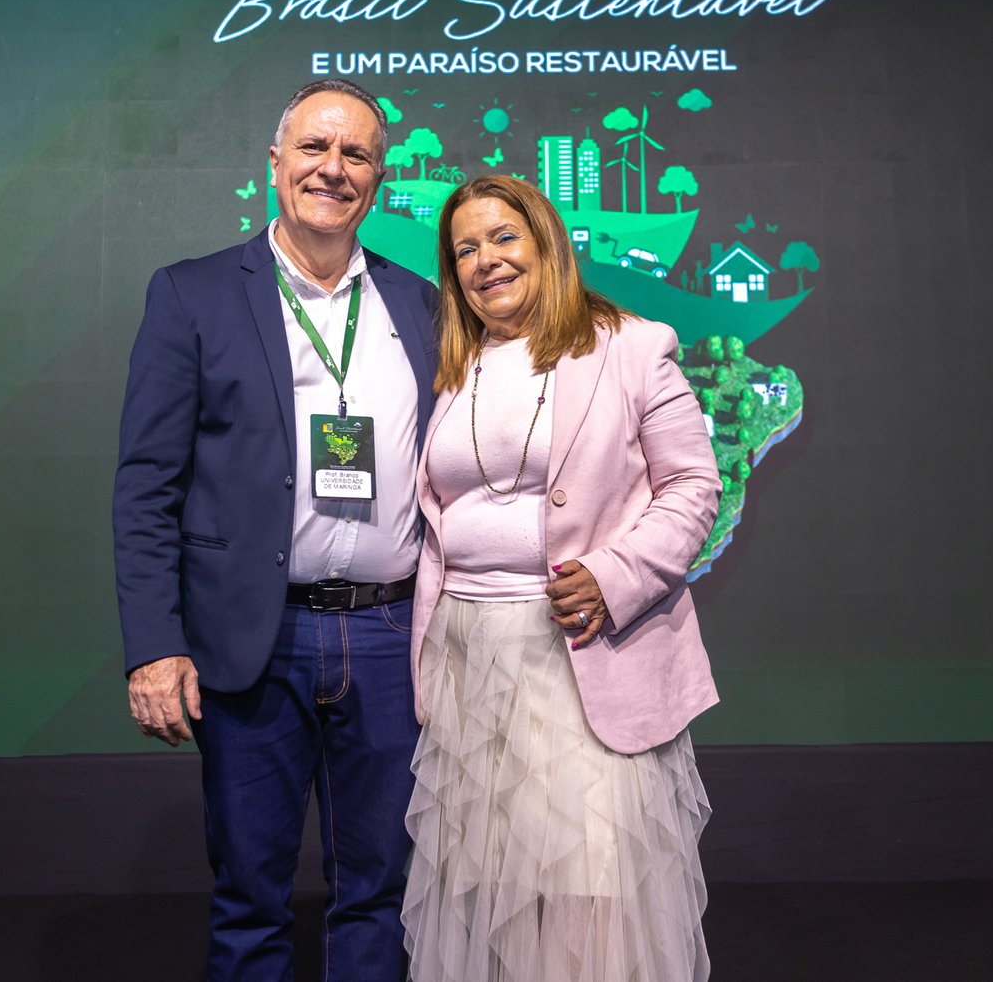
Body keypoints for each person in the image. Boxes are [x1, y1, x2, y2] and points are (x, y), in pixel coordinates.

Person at [113, 78, 438, 982]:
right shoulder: (192, 294)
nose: (334, 168)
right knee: (250, 896)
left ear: (379, 177)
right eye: (314, 148)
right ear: (275, 161)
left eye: (356, 154)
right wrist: (154, 646)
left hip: (391, 635)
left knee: (379, 892)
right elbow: (146, 487)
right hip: (255, 638)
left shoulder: (421, 304)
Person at [402, 174, 722, 981]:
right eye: (465, 249)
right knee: (494, 893)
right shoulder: (456, 366)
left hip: (582, 655)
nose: (485, 260)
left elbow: (693, 486)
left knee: (591, 890)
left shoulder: (630, 346)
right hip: (470, 663)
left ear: (546, 243)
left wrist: (615, 575)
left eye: (503, 237)